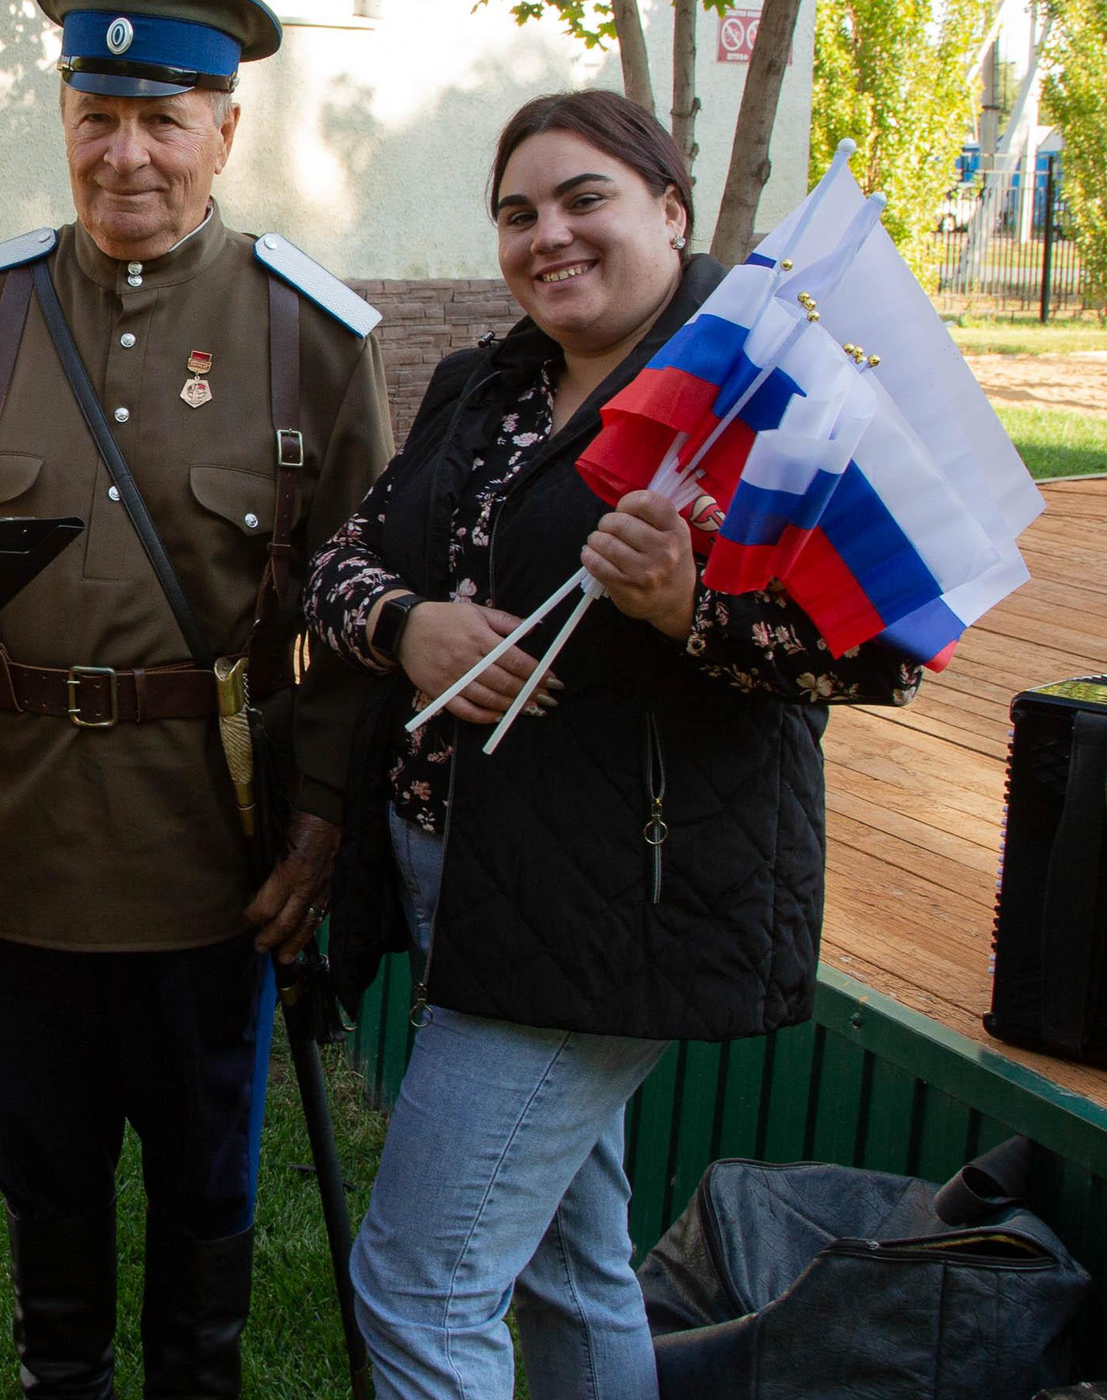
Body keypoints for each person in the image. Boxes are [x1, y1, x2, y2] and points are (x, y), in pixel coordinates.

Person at [309, 90, 923, 1400]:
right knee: (572, 1268)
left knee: (420, 1287)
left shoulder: (759, 387)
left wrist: (686, 609)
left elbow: (879, 653)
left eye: (585, 197)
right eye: (518, 212)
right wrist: (408, 624)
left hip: (609, 898)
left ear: (671, 210)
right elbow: (343, 564)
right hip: (459, 873)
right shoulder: (488, 382)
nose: (550, 235)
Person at [0, 0, 394, 1398]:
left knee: (202, 1177)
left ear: (226, 132)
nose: (128, 153)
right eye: (98, 112)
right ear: (63, 113)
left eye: (165, 118)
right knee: (41, 1172)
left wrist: (324, 826)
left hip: (208, 844)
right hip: (17, 832)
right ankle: (65, 1377)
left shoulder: (311, 336)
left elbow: (355, 623)